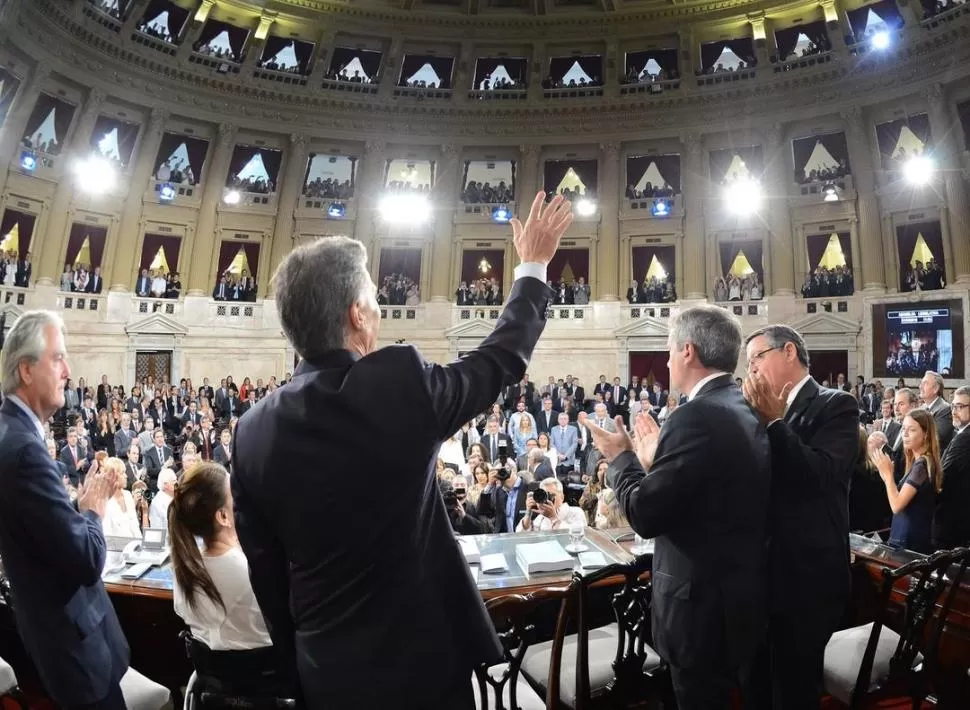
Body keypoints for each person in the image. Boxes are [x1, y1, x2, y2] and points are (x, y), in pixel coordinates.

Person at [231, 192, 573, 708]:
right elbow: (497, 361)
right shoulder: (397, 386)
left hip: (325, 670)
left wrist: (300, 668)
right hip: (423, 665)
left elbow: (268, 578)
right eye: (372, 298)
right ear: (357, 316)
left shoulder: (252, 429)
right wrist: (534, 265)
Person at [585, 305, 771, 710]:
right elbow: (707, 493)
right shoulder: (742, 406)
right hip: (736, 600)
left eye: (668, 350)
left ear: (687, 351)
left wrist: (620, 459)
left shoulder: (694, 417)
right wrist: (656, 464)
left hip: (699, 612)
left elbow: (647, 515)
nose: (666, 360)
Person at [0, 310, 130, 708]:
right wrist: (93, 508)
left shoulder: (12, 433)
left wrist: (75, 504)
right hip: (76, 651)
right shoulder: (24, 450)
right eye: (57, 358)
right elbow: (87, 559)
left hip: (54, 639)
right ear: (26, 369)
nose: (68, 370)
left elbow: (37, 526)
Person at [742, 325, 859, 710]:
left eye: (757, 359)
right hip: (757, 577)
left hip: (806, 580)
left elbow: (816, 477)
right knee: (755, 687)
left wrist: (774, 423)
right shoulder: (752, 413)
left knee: (794, 691)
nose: (751, 371)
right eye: (747, 364)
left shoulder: (836, 405)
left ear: (788, 351)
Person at [870, 409, 940, 553]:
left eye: (912, 430)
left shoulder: (921, 465)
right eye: (904, 429)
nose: (905, 434)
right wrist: (885, 474)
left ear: (926, 434)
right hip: (908, 538)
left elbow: (896, 506)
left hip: (909, 542)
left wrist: (888, 476)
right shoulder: (920, 462)